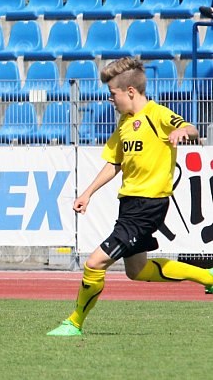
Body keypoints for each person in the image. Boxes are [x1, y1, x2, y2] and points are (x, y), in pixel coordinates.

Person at [47, 57, 213, 337]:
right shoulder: (125, 122)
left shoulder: (157, 114)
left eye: (113, 94)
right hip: (130, 206)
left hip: (148, 206)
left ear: (131, 92)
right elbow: (115, 162)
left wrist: (181, 131)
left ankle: (74, 322)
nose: (111, 100)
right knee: (137, 270)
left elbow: (192, 128)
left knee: (94, 263)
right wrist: (87, 193)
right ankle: (208, 275)